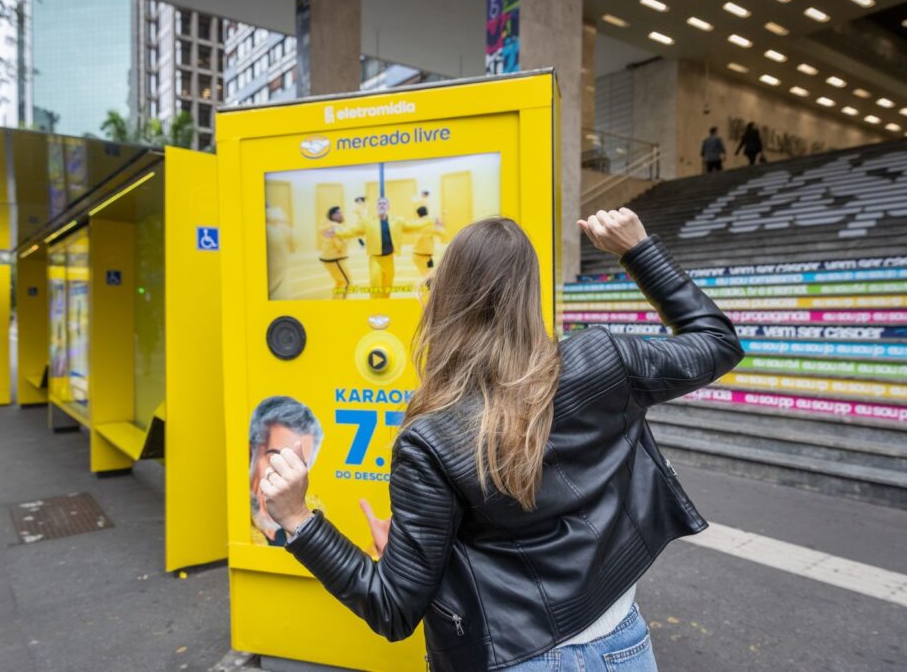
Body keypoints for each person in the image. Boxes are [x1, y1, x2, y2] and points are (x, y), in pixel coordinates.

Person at [259, 208, 744, 671]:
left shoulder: (430, 438)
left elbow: (392, 607)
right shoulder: (605, 359)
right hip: (622, 646)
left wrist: (298, 518)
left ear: (444, 298)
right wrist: (638, 250)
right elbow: (718, 342)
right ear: (528, 293)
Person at [248, 396, 324, 547]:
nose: (288, 477)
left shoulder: (313, 515)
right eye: (276, 458)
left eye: (299, 466)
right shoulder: (238, 525)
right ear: (250, 454)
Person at [328, 196, 426, 299]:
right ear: (376, 206)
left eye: (384, 203)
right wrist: (336, 233)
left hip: (389, 258)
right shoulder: (368, 221)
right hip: (375, 259)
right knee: (376, 284)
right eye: (379, 203)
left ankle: (383, 306)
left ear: (388, 206)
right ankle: (374, 307)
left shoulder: (397, 220)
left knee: (387, 285)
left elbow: (412, 226)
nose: (382, 205)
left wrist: (428, 222)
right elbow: (353, 231)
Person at [319, 206, 352, 299]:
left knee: (340, 282)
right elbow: (339, 245)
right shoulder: (336, 227)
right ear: (333, 216)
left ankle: (335, 300)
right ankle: (340, 305)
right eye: (339, 213)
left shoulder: (329, 225)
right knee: (347, 282)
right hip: (335, 258)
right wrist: (349, 237)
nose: (342, 215)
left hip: (329, 258)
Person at [410, 205, 445, 276]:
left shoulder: (416, 223)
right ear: (427, 213)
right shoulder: (429, 224)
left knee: (429, 274)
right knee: (428, 276)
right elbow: (442, 233)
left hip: (419, 255)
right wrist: (440, 225)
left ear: (418, 214)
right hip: (423, 255)